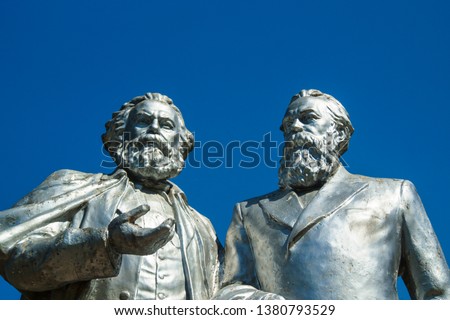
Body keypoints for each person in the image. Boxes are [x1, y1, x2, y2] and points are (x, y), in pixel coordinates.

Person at [215, 89, 450, 300]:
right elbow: (231, 289)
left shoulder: (393, 194)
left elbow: (439, 294)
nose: (294, 128)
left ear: (338, 134)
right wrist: (263, 304)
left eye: (307, 119)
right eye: (287, 125)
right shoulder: (249, 211)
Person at [0, 93, 221, 300]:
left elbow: (224, 292)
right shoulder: (72, 186)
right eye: (143, 121)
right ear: (120, 135)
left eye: (166, 125)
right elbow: (16, 261)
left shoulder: (203, 227)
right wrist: (105, 244)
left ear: (181, 143)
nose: (154, 129)